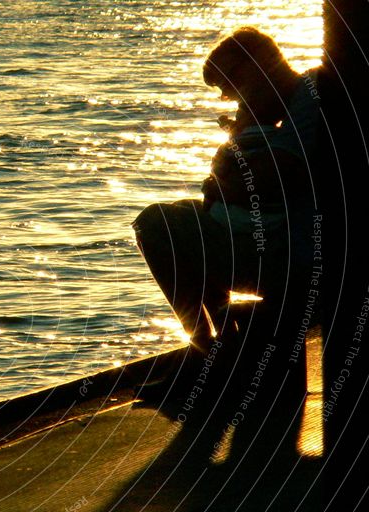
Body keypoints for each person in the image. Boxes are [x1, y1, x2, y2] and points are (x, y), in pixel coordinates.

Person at [133, 27, 319, 353]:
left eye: (229, 88)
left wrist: (225, 183)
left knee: (154, 224)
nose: (230, 100)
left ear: (254, 70)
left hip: (289, 256)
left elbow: (277, 176)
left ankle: (204, 348)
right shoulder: (290, 106)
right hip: (275, 243)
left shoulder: (309, 96)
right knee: (184, 214)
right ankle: (218, 342)